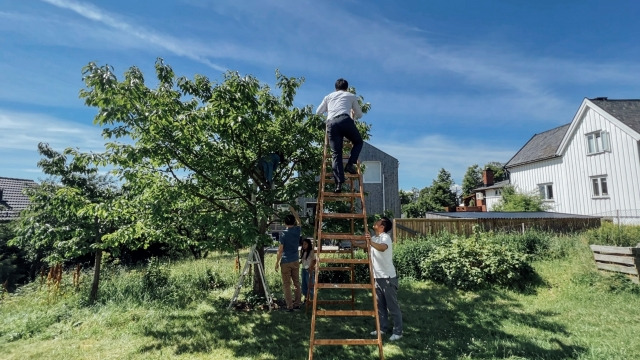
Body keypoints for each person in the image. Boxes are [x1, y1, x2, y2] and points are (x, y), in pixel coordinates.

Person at [357, 216, 403, 341]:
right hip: (377, 277)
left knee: (392, 306)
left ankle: (398, 332)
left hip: (387, 278)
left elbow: (382, 247)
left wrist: (369, 241)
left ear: (382, 226)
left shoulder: (385, 238)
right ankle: (382, 329)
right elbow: (367, 247)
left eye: (378, 221)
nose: (375, 222)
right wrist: (355, 243)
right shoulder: (374, 238)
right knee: (380, 306)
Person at [316, 78, 364, 193]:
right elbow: (360, 114)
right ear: (346, 88)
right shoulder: (351, 96)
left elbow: (318, 112)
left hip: (331, 124)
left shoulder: (328, 97)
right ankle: (350, 164)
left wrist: (330, 109)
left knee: (336, 154)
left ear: (335, 88)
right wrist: (353, 115)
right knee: (358, 142)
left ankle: (338, 185)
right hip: (345, 121)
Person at [275, 207, 302, 311]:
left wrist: (277, 262)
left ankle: (289, 306)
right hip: (295, 260)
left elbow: (280, 250)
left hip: (286, 261)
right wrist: (293, 211)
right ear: (293, 222)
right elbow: (299, 221)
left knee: (287, 285)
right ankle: (298, 304)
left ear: (284, 223)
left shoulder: (283, 234)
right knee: (296, 283)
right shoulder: (297, 230)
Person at [300, 238, 316, 302]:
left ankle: (312, 299)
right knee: (304, 285)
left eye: (305, 244)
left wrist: (311, 267)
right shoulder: (302, 251)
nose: (304, 245)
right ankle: (306, 298)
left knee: (310, 284)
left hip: (309, 270)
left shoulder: (311, 252)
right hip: (304, 269)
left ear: (309, 244)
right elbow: (302, 260)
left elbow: (315, 261)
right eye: (303, 244)